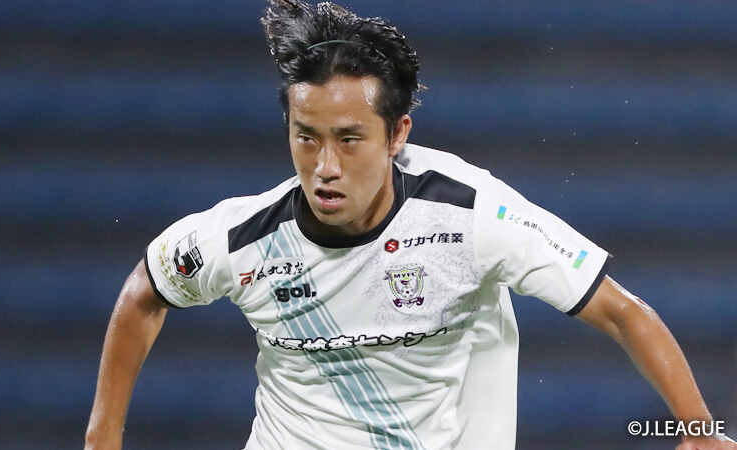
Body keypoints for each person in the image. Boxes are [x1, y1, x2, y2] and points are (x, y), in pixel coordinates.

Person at [85, 1, 736, 449]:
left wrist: (700, 430)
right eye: (306, 137)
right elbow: (146, 290)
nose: (325, 167)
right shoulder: (244, 238)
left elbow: (621, 312)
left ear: (397, 134)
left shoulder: (469, 213)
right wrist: (102, 438)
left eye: (349, 139)